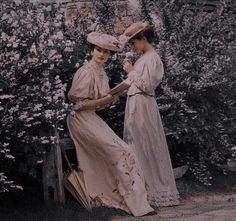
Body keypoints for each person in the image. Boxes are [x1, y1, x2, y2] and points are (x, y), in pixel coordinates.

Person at [67, 32, 154, 216]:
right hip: (79, 119)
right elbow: (77, 105)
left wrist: (112, 97)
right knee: (119, 151)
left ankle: (137, 203)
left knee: (125, 150)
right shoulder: (85, 72)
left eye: (107, 52)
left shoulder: (102, 73)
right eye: (99, 50)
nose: (102, 55)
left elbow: (99, 106)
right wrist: (103, 100)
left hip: (91, 117)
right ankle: (122, 199)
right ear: (92, 50)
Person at [119, 22, 180, 207]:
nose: (133, 48)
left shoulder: (153, 59)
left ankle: (157, 190)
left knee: (147, 144)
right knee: (136, 145)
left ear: (143, 39)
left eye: (133, 44)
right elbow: (136, 83)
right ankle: (140, 191)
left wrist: (131, 71)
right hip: (135, 104)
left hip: (144, 106)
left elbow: (147, 86)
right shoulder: (143, 58)